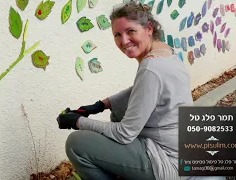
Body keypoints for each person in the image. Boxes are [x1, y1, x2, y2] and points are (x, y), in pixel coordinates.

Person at [56, 1, 223, 180]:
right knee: (118, 111)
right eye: (117, 35)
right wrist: (99, 105)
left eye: (130, 31)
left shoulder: (151, 67)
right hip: (181, 149)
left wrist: (78, 122)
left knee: (76, 143)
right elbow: (141, 90)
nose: (124, 41)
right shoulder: (165, 52)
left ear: (149, 28)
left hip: (169, 163)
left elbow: (124, 134)